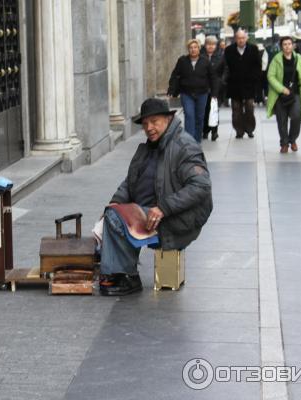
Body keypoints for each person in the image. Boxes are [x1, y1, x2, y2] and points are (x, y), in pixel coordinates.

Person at [99, 98, 213, 296]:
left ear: (168, 119)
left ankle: (127, 276)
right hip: (151, 212)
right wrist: (116, 201)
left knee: (115, 219)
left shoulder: (184, 146)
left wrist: (163, 208)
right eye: (145, 124)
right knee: (111, 214)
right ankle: (114, 269)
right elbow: (130, 181)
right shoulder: (148, 148)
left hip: (174, 220)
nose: (149, 128)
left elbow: (201, 186)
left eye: (154, 122)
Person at [267, 36, 301, 154]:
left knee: (296, 116)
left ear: (293, 45)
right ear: (281, 46)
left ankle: (292, 139)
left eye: (289, 44)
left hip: (296, 94)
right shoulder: (276, 59)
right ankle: (284, 143)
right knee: (281, 120)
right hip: (280, 95)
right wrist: (282, 89)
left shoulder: (298, 58)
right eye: (285, 44)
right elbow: (270, 76)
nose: (287, 46)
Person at [167, 39, 217, 143]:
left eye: (195, 47)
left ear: (199, 48)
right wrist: (172, 89)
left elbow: (212, 77)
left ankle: (197, 140)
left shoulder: (205, 61)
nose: (193, 50)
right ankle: (189, 142)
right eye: (190, 48)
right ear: (188, 49)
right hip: (187, 93)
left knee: (199, 117)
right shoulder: (182, 61)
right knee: (189, 116)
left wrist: (214, 93)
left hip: (202, 93)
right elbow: (175, 75)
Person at [224, 29, 262, 138]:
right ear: (235, 39)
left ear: (246, 38)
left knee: (250, 107)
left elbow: (258, 66)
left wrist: (255, 79)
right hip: (234, 85)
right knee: (236, 109)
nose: (241, 40)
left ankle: (250, 129)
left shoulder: (253, 49)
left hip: (249, 85)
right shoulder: (229, 50)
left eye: (243, 38)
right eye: (239, 38)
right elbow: (226, 67)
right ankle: (239, 130)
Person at [201, 36, 225, 141]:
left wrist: (222, 81)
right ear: (205, 45)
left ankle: (215, 131)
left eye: (213, 44)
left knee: (214, 109)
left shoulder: (221, 56)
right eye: (208, 44)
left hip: (216, 87)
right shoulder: (201, 56)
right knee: (205, 109)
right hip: (203, 87)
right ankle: (205, 130)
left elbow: (226, 70)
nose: (211, 46)